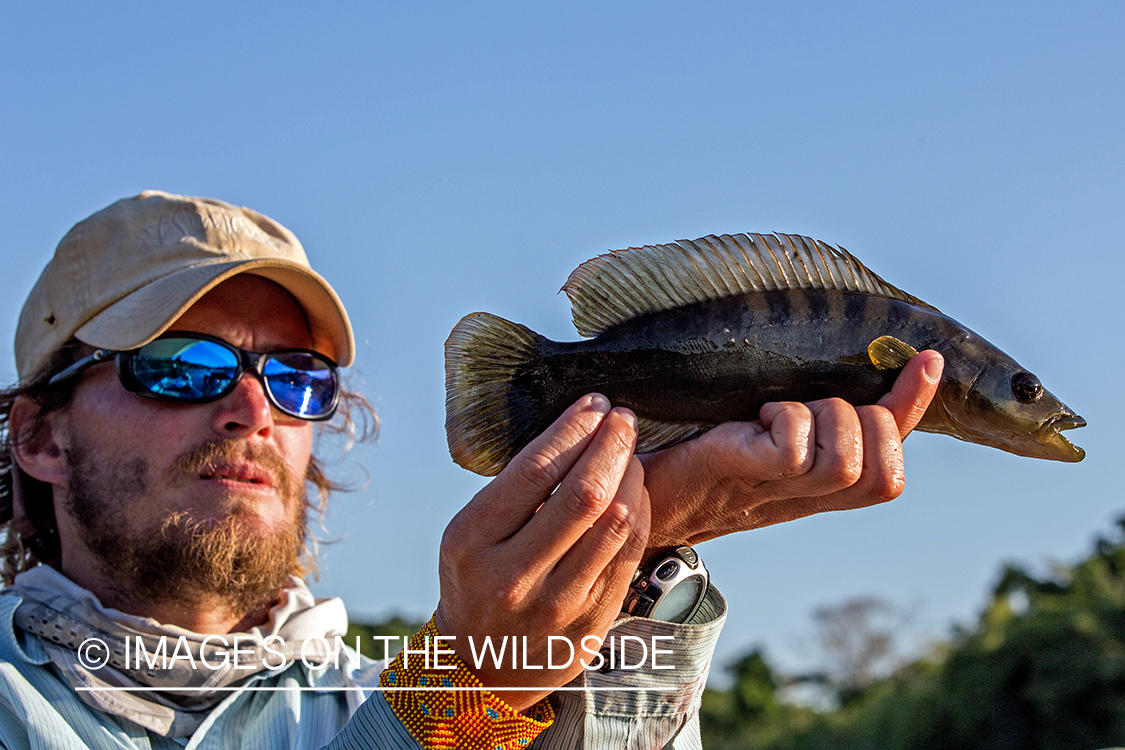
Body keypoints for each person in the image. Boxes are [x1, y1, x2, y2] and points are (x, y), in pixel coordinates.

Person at [0, 191, 942, 749]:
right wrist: (457, 698)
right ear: (38, 435)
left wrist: (647, 547)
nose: (253, 409)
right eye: (180, 367)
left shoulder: (380, 695)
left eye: (296, 377)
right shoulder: (431, 696)